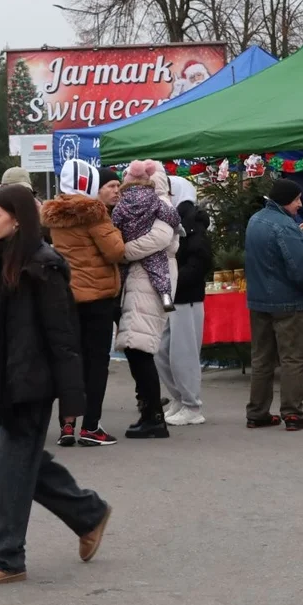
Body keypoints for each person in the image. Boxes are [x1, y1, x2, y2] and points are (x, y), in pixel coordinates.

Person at [0, 185, 110, 586]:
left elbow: (63, 336)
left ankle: (6, 558)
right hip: (8, 378)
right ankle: (88, 513)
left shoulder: (45, 265)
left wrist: (72, 399)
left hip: (32, 382)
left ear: (17, 218)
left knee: (10, 468)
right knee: (24, 461)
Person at [41, 160, 126, 446]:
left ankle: (67, 425)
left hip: (67, 296)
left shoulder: (54, 215)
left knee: (69, 361)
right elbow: (115, 251)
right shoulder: (94, 213)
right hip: (97, 297)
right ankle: (91, 427)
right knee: (95, 363)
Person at [244, 178, 303, 432]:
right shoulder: (285, 227)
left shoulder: (256, 220)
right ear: (287, 200)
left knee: (262, 358)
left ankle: (257, 412)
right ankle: (293, 413)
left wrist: (299, 233)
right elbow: (300, 269)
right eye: (297, 199)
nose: (300, 204)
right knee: (294, 358)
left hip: (259, 300)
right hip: (288, 301)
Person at [113, 160, 179, 439]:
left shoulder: (160, 205)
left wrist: (122, 252)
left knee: (138, 346)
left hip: (149, 278)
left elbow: (161, 239)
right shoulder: (161, 204)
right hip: (145, 278)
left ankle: (153, 417)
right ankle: (149, 412)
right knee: (136, 346)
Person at [160, 177, 213, 426]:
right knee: (163, 351)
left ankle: (192, 405)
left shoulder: (192, 224)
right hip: (172, 295)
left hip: (187, 297)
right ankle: (180, 398)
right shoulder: (172, 219)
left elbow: (201, 261)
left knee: (184, 353)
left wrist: (175, 280)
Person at [113, 160, 181, 312]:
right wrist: (177, 223)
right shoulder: (154, 199)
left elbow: (115, 224)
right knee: (158, 269)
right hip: (148, 241)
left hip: (127, 242)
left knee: (120, 274)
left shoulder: (120, 204)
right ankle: (165, 296)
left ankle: (116, 300)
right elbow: (170, 216)